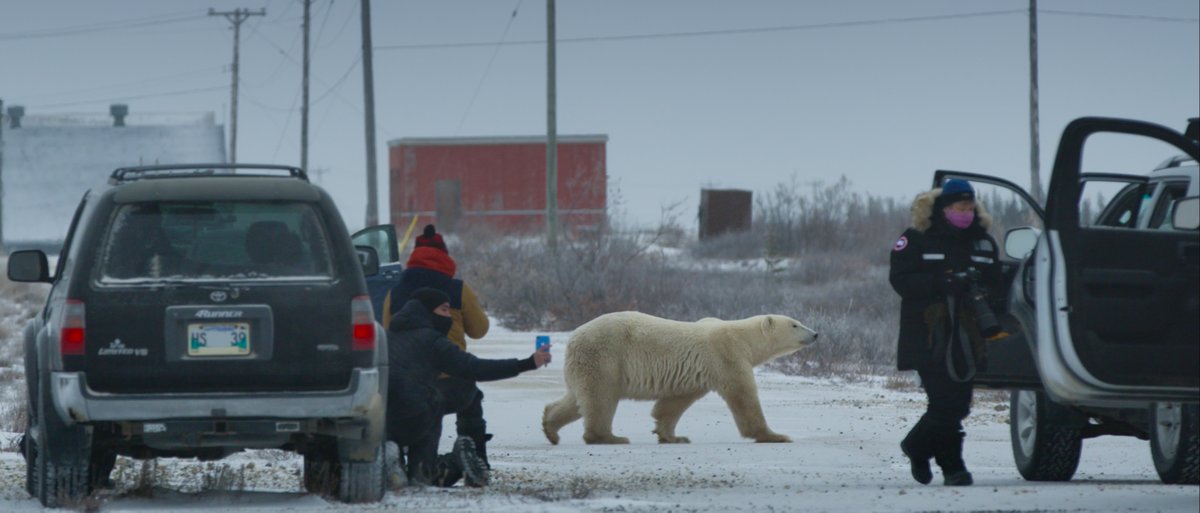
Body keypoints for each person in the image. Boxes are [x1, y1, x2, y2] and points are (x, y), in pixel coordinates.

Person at [889, 179, 1002, 487]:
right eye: (958, 208)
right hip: (928, 335)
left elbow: (998, 283)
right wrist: (942, 284)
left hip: (968, 337)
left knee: (959, 405)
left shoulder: (983, 242)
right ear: (944, 208)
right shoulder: (917, 238)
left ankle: (917, 447)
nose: (965, 213)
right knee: (945, 403)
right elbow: (900, 280)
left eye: (969, 207)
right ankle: (954, 467)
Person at [386, 287, 551, 487]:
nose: (449, 316)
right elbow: (475, 368)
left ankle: (391, 462)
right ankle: (449, 463)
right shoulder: (432, 341)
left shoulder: (385, 337)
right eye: (445, 310)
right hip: (418, 416)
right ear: (428, 311)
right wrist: (527, 363)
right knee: (423, 475)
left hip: (382, 419)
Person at [380, 225, 496, 467]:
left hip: (407, 388)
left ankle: (398, 461)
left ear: (414, 255)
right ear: (445, 256)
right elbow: (480, 329)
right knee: (471, 396)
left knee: (413, 424)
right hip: (450, 384)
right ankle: (476, 458)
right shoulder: (457, 289)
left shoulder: (396, 291)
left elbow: (387, 332)